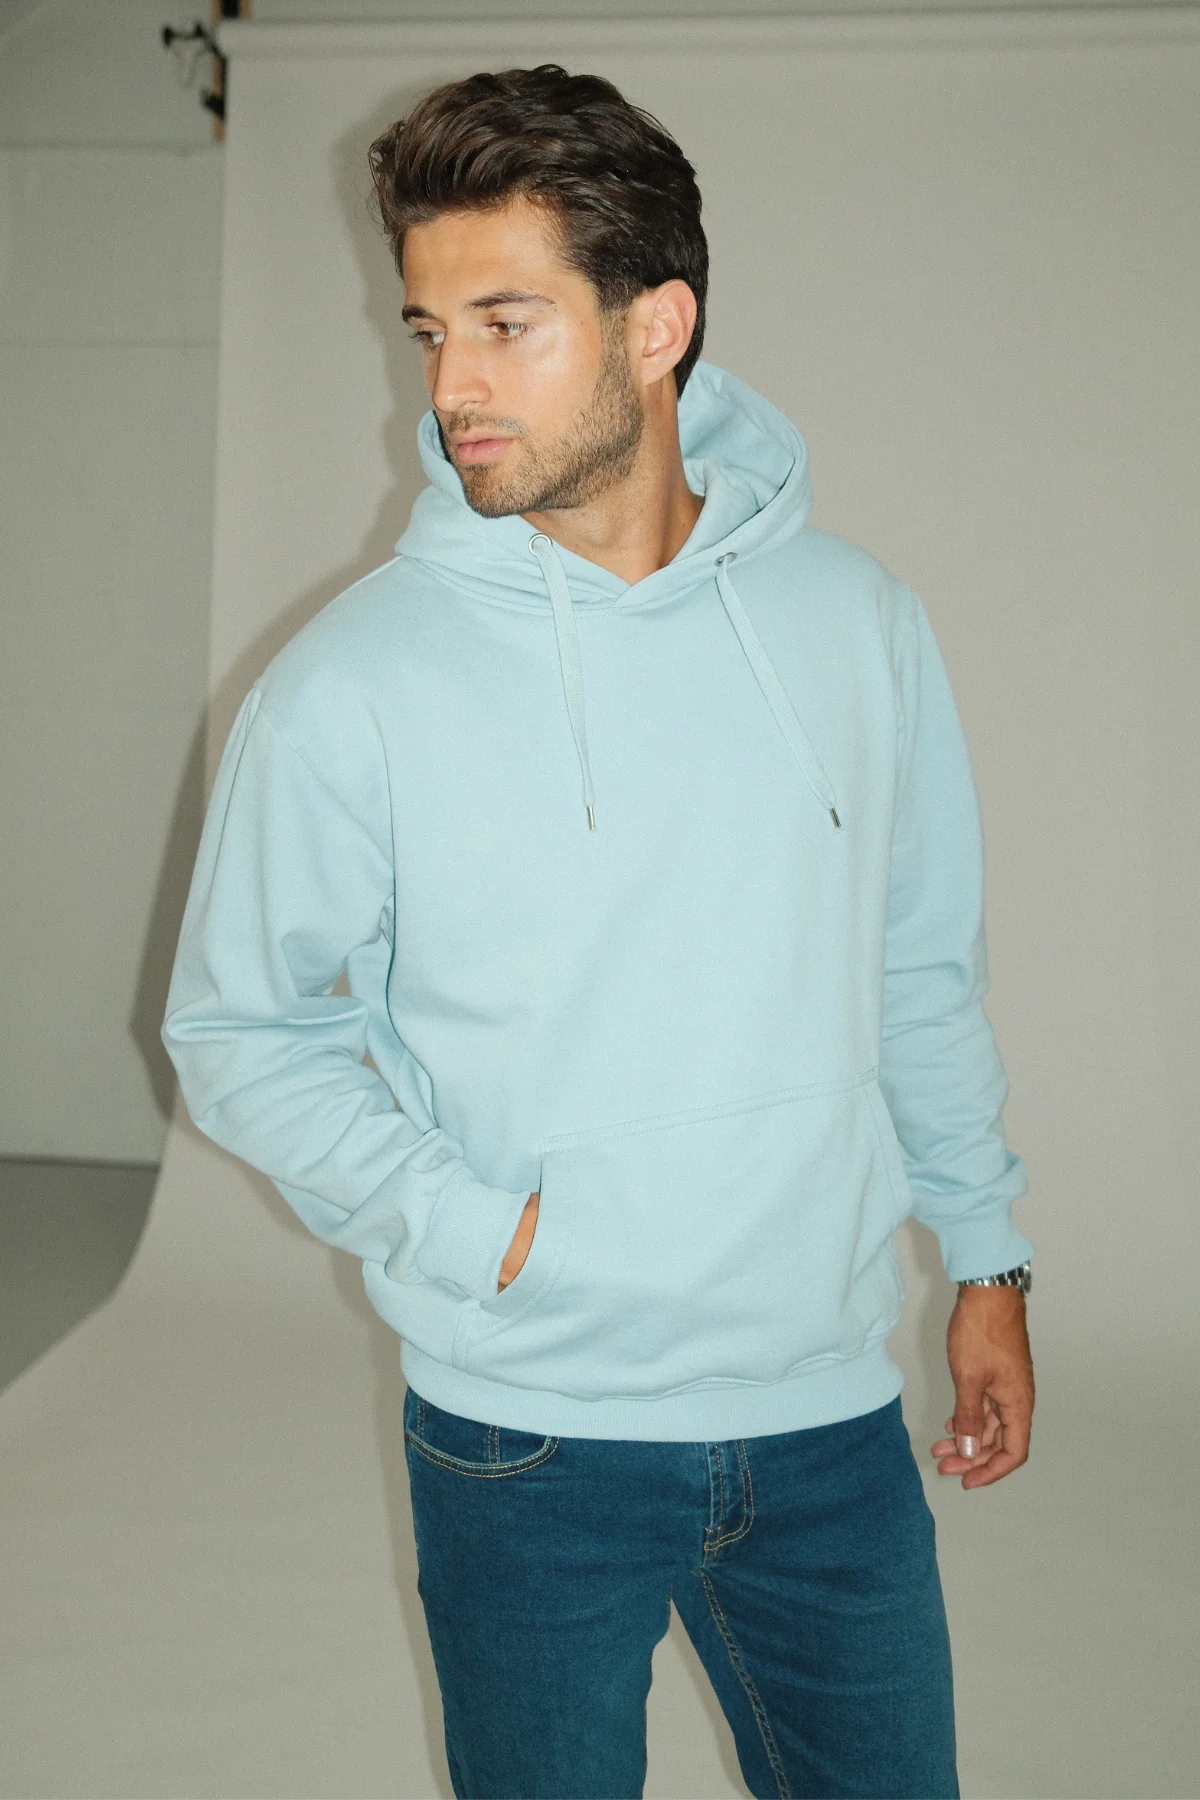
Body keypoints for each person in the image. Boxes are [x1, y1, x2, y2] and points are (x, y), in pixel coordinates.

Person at [162, 63, 1035, 1800]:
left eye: (506, 325)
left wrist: (989, 1258)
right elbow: (239, 1034)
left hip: (828, 1415)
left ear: (658, 326)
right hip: (528, 1436)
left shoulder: (857, 622)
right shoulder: (351, 684)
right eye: (430, 333)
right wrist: (484, 1235)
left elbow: (916, 965)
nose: (450, 390)